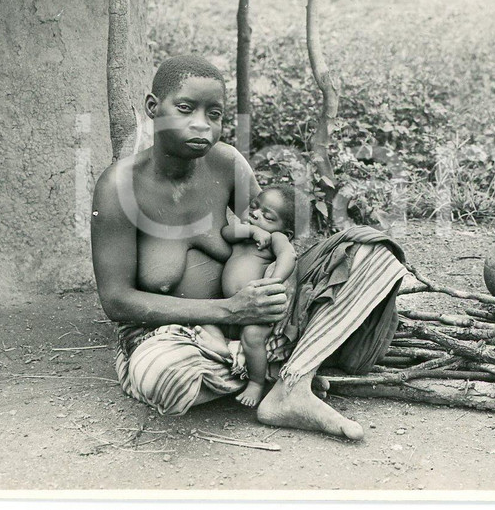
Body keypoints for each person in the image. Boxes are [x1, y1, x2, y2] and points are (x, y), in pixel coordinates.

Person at [90, 54, 408, 440]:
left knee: (376, 254)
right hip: (174, 333)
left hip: (254, 321)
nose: (202, 125)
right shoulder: (118, 187)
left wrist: (278, 291)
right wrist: (228, 311)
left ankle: (289, 385)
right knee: (165, 376)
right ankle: (286, 365)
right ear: (153, 107)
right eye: (186, 108)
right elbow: (117, 301)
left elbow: (275, 234)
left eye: (216, 114)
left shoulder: (226, 163)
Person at [195, 185, 299, 407]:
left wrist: (274, 281)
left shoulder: (277, 238)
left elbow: (288, 255)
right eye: (254, 207)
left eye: (267, 216)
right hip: (231, 308)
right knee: (203, 320)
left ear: (285, 230)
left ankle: (256, 383)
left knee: (252, 336)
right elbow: (224, 232)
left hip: (258, 308)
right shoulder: (243, 233)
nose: (256, 214)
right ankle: (225, 351)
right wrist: (252, 231)